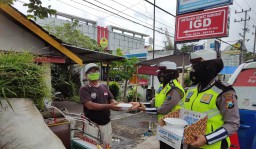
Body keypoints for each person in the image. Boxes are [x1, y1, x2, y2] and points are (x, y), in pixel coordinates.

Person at [184, 50, 240, 149]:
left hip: (213, 145)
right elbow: (182, 110)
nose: (193, 70)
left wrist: (207, 139)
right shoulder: (192, 88)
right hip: (191, 143)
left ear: (208, 68)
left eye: (196, 67)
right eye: (193, 67)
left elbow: (232, 124)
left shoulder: (225, 92)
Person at [138, 61, 185, 149]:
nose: (160, 74)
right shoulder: (162, 86)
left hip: (174, 129)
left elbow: (164, 109)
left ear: (171, 73)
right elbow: (154, 101)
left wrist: (146, 109)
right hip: (163, 125)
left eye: (163, 72)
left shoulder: (175, 89)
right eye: (159, 71)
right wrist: (140, 104)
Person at [79, 63, 122, 146]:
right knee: (92, 147)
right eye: (91, 72)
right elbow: (90, 105)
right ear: (86, 75)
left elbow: (111, 100)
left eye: (95, 71)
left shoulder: (104, 87)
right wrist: (110, 106)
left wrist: (119, 105)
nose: (94, 73)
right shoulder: (84, 89)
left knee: (107, 146)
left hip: (106, 124)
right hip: (91, 125)